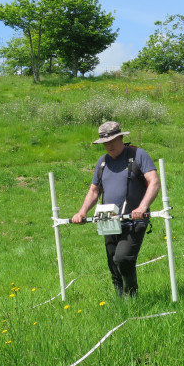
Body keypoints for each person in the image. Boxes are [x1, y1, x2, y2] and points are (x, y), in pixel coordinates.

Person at [72, 121, 160, 297]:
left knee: (123, 259)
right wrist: (82, 212)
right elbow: (94, 191)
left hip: (134, 221)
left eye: (112, 140)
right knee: (113, 263)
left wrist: (142, 207)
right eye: (105, 142)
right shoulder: (102, 162)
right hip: (109, 221)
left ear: (121, 137)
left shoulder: (138, 155)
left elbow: (154, 182)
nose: (109, 145)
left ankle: (132, 297)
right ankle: (121, 302)